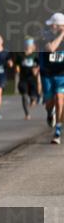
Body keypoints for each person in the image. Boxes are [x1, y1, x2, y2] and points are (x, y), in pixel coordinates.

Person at [44, 13, 64, 144]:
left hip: (62, 75)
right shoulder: (46, 35)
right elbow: (51, 49)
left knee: (59, 98)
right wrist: (62, 35)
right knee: (49, 103)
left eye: (53, 24)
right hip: (49, 74)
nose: (51, 26)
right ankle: (50, 113)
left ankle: (58, 130)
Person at [16, 37, 41, 120]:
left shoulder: (35, 55)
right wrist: (17, 69)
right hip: (23, 79)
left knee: (33, 98)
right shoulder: (20, 55)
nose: (28, 46)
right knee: (24, 95)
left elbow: (39, 65)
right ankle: (27, 114)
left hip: (32, 79)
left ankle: (34, 99)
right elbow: (17, 65)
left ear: (33, 46)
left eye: (30, 45)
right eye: (27, 45)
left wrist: (36, 70)